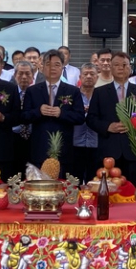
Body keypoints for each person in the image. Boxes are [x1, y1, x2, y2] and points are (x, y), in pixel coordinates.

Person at [22, 49, 85, 177]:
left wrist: (61, 113)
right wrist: (38, 111)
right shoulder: (32, 91)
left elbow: (80, 117)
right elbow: (24, 116)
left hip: (64, 149)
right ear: (42, 66)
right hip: (39, 148)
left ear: (62, 68)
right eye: (48, 64)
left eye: (57, 64)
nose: (52, 68)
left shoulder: (72, 91)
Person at [86, 51, 136, 186]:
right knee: (108, 192)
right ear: (111, 68)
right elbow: (91, 119)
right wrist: (108, 126)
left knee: (132, 191)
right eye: (117, 65)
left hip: (134, 151)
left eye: (124, 65)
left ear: (130, 68)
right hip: (108, 151)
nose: (121, 68)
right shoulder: (99, 92)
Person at [72, 63, 99, 185]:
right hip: (75, 142)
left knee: (93, 179)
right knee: (74, 179)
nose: (88, 76)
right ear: (80, 77)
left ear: (97, 77)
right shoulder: (73, 95)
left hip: (96, 143)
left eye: (92, 74)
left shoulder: (101, 95)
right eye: (85, 74)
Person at [10, 60, 36, 177]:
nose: (24, 77)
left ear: (33, 75)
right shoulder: (9, 92)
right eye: (20, 73)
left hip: (32, 139)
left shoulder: (37, 93)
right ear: (15, 75)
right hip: (12, 139)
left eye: (27, 73)